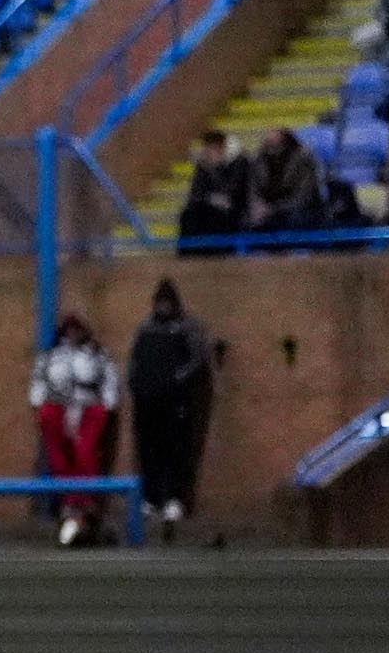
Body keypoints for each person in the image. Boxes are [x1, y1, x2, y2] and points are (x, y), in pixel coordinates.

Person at [126, 281, 214, 534]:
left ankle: (176, 499)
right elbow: (135, 362)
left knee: (178, 451)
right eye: (159, 302)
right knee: (149, 451)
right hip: (148, 403)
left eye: (167, 302)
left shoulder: (187, 328)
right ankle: (151, 498)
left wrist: (175, 380)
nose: (163, 307)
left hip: (176, 402)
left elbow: (197, 360)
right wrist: (137, 384)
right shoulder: (146, 328)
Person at [31, 314, 122, 546]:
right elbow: (39, 382)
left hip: (88, 406)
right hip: (58, 406)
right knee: (59, 459)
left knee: (85, 452)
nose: (72, 335)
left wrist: (109, 404)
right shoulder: (51, 356)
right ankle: (69, 502)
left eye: (76, 330)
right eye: (68, 330)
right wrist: (39, 402)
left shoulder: (97, 355)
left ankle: (86, 500)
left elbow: (109, 380)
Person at [177, 131, 250, 250]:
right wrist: (209, 199)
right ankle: (187, 257)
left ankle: (217, 256)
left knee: (217, 217)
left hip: (235, 209)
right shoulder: (204, 164)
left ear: (222, 148)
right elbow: (196, 193)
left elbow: (232, 192)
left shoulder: (240, 162)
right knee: (188, 216)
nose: (208, 152)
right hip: (209, 205)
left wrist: (214, 169)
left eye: (212, 148)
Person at [247, 127, 324, 237]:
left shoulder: (303, 158)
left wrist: (274, 209)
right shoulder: (260, 159)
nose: (268, 134)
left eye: (273, 130)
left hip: (296, 209)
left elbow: (304, 195)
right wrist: (257, 206)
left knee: (296, 218)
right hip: (268, 209)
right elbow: (253, 189)